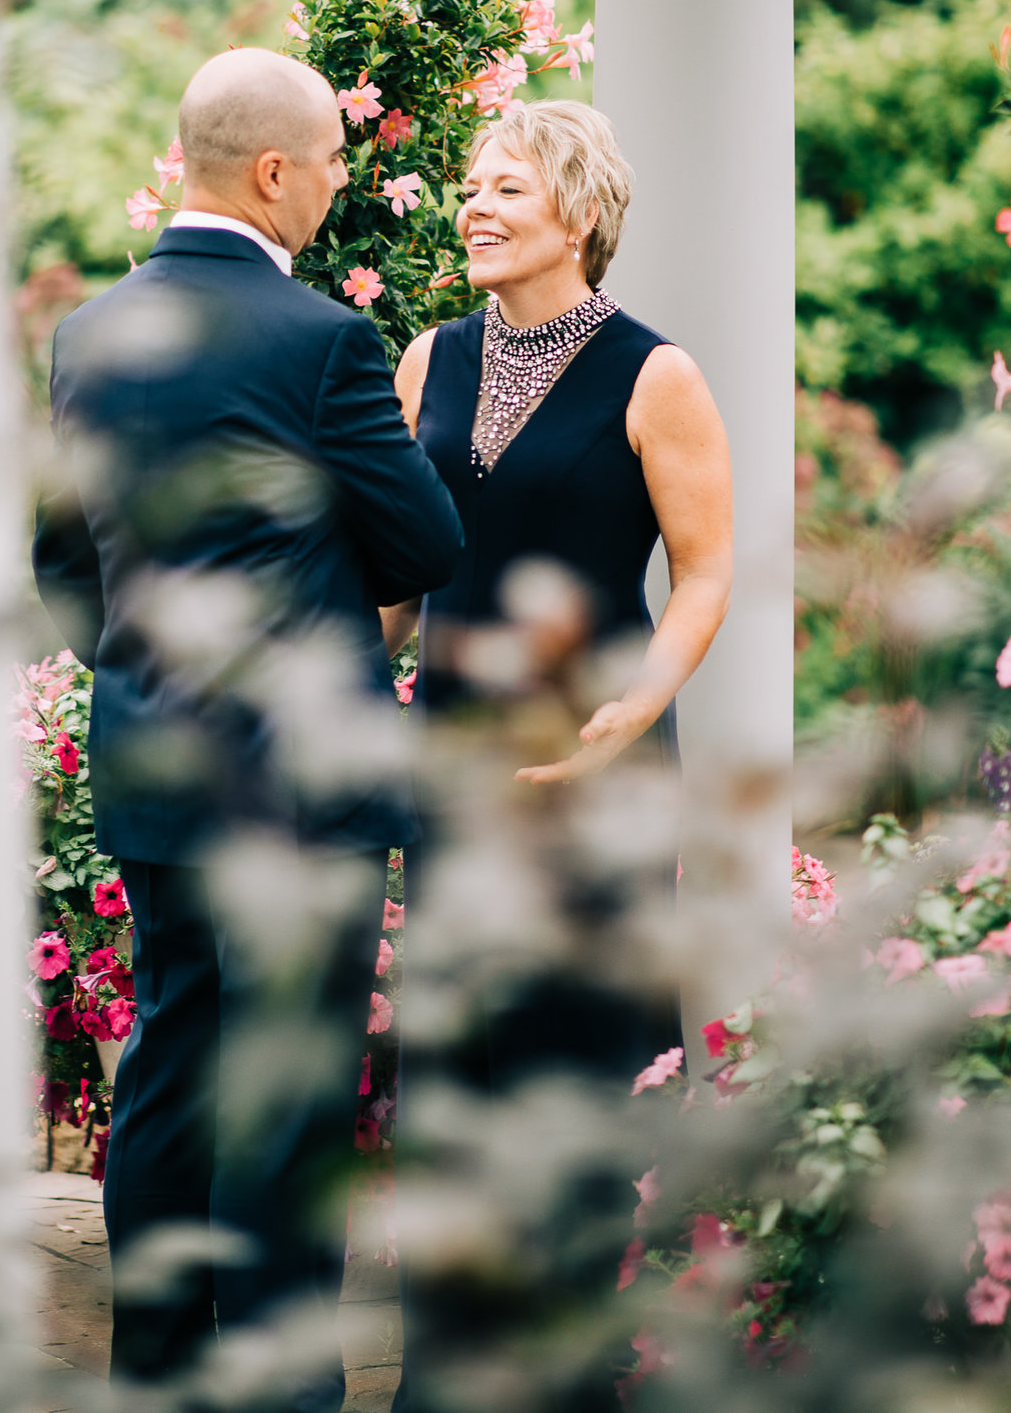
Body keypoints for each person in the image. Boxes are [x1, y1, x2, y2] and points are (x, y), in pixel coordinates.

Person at [33, 47, 461, 1412]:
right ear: (274, 172)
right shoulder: (325, 342)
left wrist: (145, 661)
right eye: (332, 163)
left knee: (168, 1070)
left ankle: (153, 1372)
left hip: (155, 770)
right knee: (283, 1106)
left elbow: (59, 561)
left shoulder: (86, 334)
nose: (338, 188)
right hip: (300, 791)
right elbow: (427, 538)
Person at [379, 98, 732, 1413]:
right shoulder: (429, 357)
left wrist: (639, 705)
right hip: (457, 768)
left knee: (576, 1079)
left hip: (597, 779)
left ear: (578, 216)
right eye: (471, 186)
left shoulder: (658, 377)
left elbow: (703, 578)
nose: (475, 205)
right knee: (455, 1082)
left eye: (506, 190)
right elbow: (401, 584)